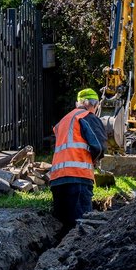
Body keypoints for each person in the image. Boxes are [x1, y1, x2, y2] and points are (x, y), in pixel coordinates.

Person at [49, 88, 106, 228]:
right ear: (95, 104)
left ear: (78, 103)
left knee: (64, 225)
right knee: (81, 226)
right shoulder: (87, 117)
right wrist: (95, 161)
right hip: (78, 177)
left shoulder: (63, 120)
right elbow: (99, 147)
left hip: (57, 180)